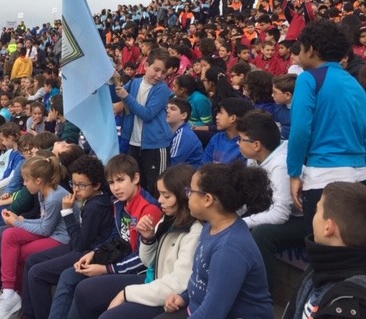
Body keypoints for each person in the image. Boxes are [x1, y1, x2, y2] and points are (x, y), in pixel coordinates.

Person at [70, 164, 202, 319]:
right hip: (152, 279)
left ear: (184, 196)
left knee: (108, 315)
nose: (160, 200)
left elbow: (175, 284)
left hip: (165, 294)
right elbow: (148, 260)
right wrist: (147, 238)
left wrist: (124, 291)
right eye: (111, 182)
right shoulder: (168, 218)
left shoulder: (193, 232)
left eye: (166, 196)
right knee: (83, 289)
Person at [48, 154, 162, 319]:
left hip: (139, 272)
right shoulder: (119, 203)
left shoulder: (149, 210)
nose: (116, 188)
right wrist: (95, 253)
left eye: (120, 180)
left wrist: (106, 269)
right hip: (120, 259)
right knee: (70, 275)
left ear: (136, 178)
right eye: (111, 182)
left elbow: (143, 259)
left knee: (85, 288)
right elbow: (116, 236)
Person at [155, 162, 273, 319]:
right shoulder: (210, 227)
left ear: (207, 199)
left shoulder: (229, 248)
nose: (187, 196)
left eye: (190, 191)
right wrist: (185, 297)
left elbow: (212, 313)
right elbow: (202, 279)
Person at [0, 154, 70, 319]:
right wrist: (21, 220)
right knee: (8, 233)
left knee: (21, 250)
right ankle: (8, 292)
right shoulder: (42, 192)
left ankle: (12, 295)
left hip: (61, 239)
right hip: (51, 233)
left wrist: (17, 222)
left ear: (39, 181)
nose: (24, 185)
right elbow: (43, 222)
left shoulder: (54, 197)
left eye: (26, 181)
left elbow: (45, 230)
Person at [287, 20, 366, 230]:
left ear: (311, 50)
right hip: (360, 176)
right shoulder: (354, 83)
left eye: (301, 49)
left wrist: (294, 173)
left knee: (322, 244)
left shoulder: (308, 79)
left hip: (324, 176)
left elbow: (300, 130)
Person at [21, 156, 114, 319]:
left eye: (81, 185)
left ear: (96, 185)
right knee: (32, 260)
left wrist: (67, 212)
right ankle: (28, 314)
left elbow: (80, 244)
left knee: (37, 274)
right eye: (74, 184)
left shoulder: (96, 207)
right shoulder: (91, 199)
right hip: (77, 247)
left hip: (87, 253)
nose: (76, 190)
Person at [282, 182, 366, 319]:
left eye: (317, 210)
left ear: (328, 227)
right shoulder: (319, 266)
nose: (314, 216)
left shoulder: (348, 305)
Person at [116, 49, 173, 195]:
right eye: (156, 70)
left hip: (155, 145)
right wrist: (113, 81)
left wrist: (126, 97)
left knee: (157, 187)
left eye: (164, 72)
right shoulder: (135, 83)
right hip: (134, 143)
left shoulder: (162, 89)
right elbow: (119, 94)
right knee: (136, 185)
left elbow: (147, 114)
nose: (159, 75)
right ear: (146, 65)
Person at [201, 98, 253, 165]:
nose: (217, 117)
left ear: (232, 118)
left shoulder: (245, 144)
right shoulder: (217, 138)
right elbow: (204, 165)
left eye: (221, 113)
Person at [166, 98, 202, 167]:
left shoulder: (184, 135)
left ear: (183, 115)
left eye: (172, 109)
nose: (167, 111)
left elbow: (172, 164)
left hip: (187, 173)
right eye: (167, 108)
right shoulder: (169, 130)